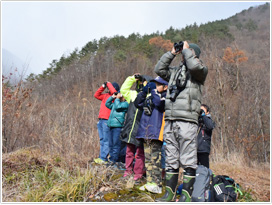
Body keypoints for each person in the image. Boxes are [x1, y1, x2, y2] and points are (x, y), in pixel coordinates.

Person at [154, 41, 208, 202]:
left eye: (188, 52)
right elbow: (159, 69)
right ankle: (169, 193)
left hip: (187, 120)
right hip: (170, 119)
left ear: (193, 54)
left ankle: (186, 195)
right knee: (170, 157)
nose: (184, 54)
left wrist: (186, 50)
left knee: (188, 159)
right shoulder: (175, 72)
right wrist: (172, 53)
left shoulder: (200, 72)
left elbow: (194, 66)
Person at [134, 76, 168, 194]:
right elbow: (137, 103)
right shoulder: (151, 95)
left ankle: (158, 184)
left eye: (159, 84)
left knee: (156, 160)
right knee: (148, 159)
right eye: (155, 84)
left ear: (165, 87)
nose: (156, 86)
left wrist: (153, 92)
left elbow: (159, 104)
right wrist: (144, 91)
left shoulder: (165, 97)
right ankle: (150, 182)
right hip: (146, 131)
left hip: (156, 132)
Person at [120, 74, 152, 182]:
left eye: (143, 82)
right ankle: (128, 171)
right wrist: (133, 78)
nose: (141, 84)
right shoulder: (132, 95)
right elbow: (123, 89)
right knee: (129, 152)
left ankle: (138, 173)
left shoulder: (149, 96)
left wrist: (146, 85)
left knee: (140, 153)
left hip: (141, 128)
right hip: (130, 128)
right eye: (140, 82)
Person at [94, 81, 119, 164]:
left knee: (106, 140)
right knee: (102, 139)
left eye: (110, 87)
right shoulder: (105, 96)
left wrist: (108, 83)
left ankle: (103, 158)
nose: (108, 88)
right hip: (101, 120)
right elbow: (96, 95)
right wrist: (103, 86)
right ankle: (101, 157)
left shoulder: (115, 97)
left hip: (107, 120)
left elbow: (114, 92)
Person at [105, 92, 129, 166]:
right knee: (111, 144)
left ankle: (114, 160)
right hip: (111, 125)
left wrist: (117, 99)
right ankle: (111, 160)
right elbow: (107, 104)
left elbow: (118, 107)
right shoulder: (116, 103)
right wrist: (112, 97)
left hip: (118, 126)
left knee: (116, 144)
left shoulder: (125, 104)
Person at [197, 104, 215, 169]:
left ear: (207, 112)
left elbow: (210, 126)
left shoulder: (208, 120)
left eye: (203, 110)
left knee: (204, 170)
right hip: (194, 149)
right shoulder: (196, 120)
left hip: (203, 149)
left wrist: (204, 116)